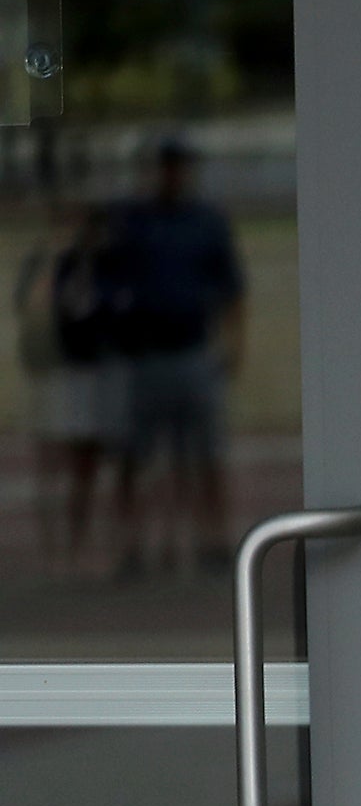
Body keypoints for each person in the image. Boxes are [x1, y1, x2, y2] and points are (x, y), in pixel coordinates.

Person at [110, 138, 245, 575]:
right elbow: (110, 280)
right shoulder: (134, 221)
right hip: (146, 352)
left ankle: (213, 538)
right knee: (135, 455)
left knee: (204, 455)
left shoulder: (205, 222)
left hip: (192, 348)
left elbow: (231, 287)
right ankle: (132, 544)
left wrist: (234, 343)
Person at [14, 204, 126, 574]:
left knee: (101, 461)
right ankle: (64, 543)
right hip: (63, 372)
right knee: (63, 460)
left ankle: (106, 541)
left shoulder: (111, 266)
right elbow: (35, 308)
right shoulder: (56, 264)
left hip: (103, 370)